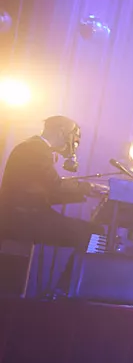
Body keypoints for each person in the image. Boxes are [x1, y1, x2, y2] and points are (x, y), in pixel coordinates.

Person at [0, 116, 100, 290]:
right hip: (23, 218)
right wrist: (88, 188)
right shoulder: (36, 149)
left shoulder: (34, 147)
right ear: (62, 132)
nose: (74, 143)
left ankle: (64, 291)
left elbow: (46, 190)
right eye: (74, 137)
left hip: (23, 216)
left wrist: (85, 189)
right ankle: (66, 292)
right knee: (92, 233)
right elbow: (54, 186)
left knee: (89, 232)